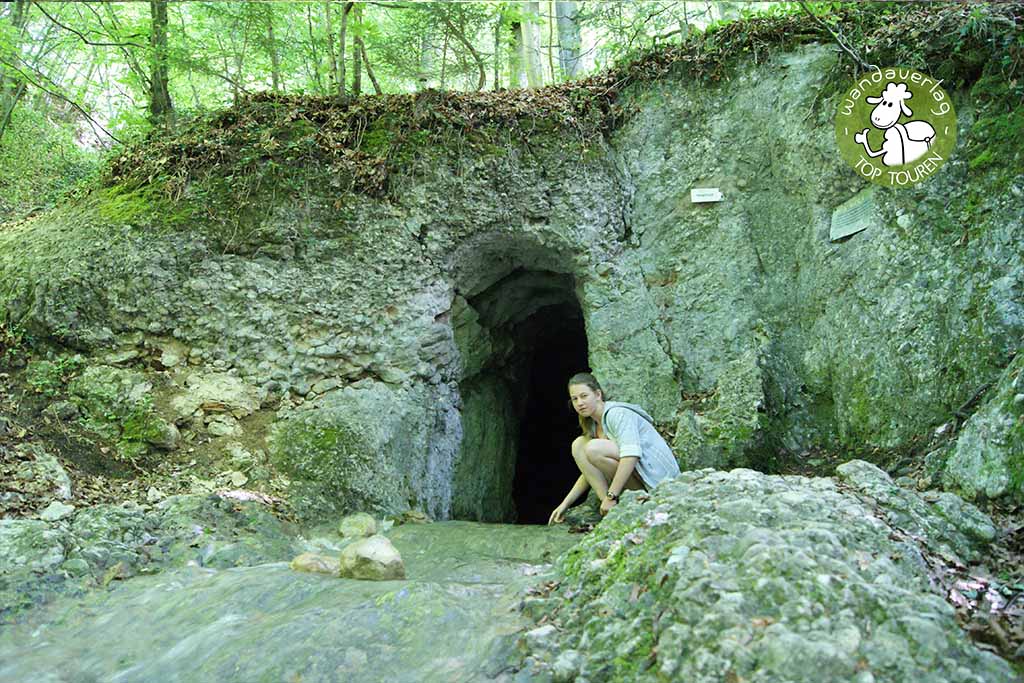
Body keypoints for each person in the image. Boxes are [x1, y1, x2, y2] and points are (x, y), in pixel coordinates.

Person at [548, 372, 680, 525]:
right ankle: (608, 507)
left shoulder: (617, 414)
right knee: (579, 445)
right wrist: (565, 503)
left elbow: (631, 455)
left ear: (597, 394)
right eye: (575, 399)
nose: (579, 403)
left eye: (584, 396)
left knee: (592, 448)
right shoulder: (594, 425)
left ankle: (613, 500)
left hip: (657, 482)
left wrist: (612, 495)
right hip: (636, 480)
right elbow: (589, 471)